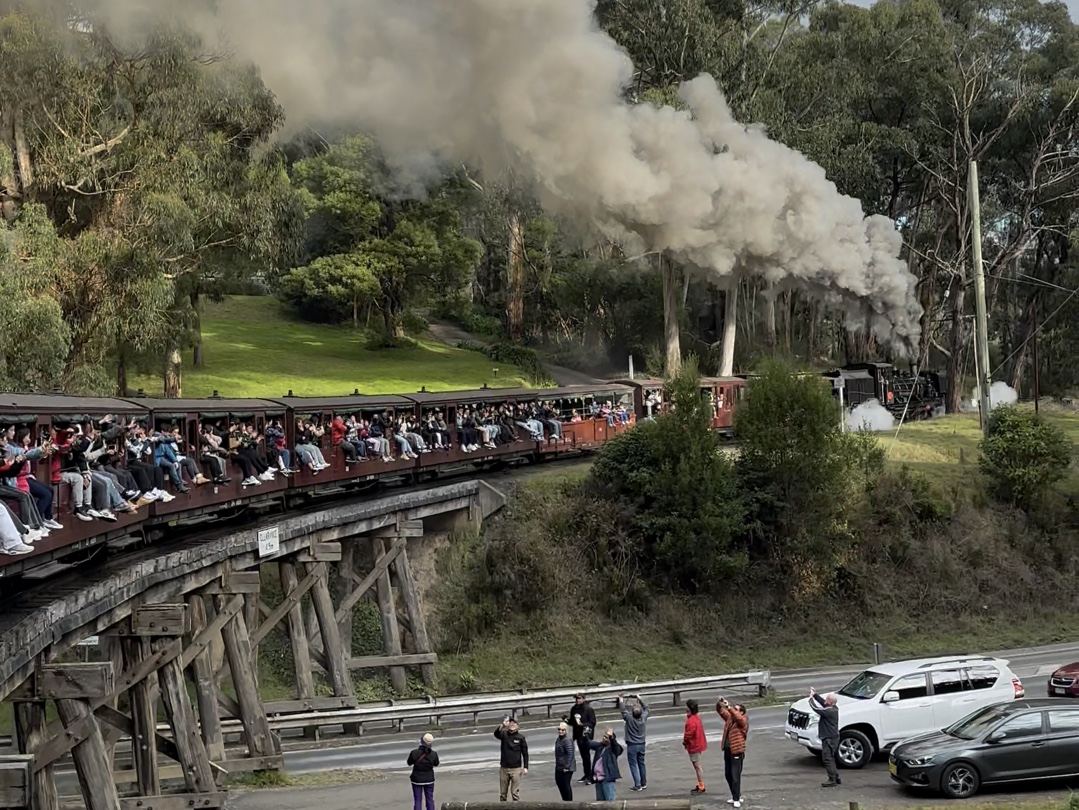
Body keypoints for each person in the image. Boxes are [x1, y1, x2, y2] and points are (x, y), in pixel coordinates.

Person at [717, 698, 749, 808]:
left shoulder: (743, 721)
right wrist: (720, 704)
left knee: (735, 776)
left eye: (736, 709)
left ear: (742, 712)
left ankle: (736, 799)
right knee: (728, 774)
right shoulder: (730, 719)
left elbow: (739, 718)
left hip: (737, 750)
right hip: (727, 749)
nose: (733, 710)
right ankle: (736, 795)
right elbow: (721, 712)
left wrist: (730, 707)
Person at [810, 688, 841, 788]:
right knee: (830, 758)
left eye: (827, 699)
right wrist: (815, 695)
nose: (825, 701)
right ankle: (836, 777)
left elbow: (816, 708)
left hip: (829, 739)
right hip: (832, 737)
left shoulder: (829, 712)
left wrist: (810, 699)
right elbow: (823, 703)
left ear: (830, 702)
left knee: (827, 759)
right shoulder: (833, 707)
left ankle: (832, 779)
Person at [618, 693, 649, 791]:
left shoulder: (629, 719)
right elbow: (647, 709)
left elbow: (623, 710)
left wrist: (621, 700)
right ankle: (643, 783)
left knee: (633, 764)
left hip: (632, 744)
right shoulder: (643, 718)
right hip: (642, 744)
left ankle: (637, 784)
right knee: (641, 763)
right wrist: (639, 699)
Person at [563, 693, 596, 785]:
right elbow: (573, 722)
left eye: (579, 698)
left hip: (586, 735)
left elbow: (592, 722)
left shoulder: (588, 709)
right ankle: (586, 774)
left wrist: (584, 724)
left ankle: (589, 776)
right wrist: (566, 720)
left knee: (586, 756)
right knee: (583, 756)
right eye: (576, 698)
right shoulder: (574, 709)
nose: (578, 700)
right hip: (578, 735)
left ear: (583, 699)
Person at [494, 716, 528, 801]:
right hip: (504, 768)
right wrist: (502, 725)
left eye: (514, 723)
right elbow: (496, 734)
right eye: (511, 723)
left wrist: (526, 767)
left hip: (516, 768)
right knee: (503, 793)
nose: (512, 725)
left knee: (514, 793)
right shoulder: (504, 735)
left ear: (517, 725)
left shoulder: (521, 737)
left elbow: (525, 753)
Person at [587, 727, 624, 802]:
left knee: (610, 801)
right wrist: (585, 735)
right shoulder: (600, 746)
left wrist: (612, 737)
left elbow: (616, 748)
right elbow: (587, 743)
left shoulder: (613, 749)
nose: (604, 738)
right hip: (598, 779)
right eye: (604, 736)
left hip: (608, 779)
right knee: (600, 802)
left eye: (606, 737)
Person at [407, 733, 439, 810]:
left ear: (422, 741)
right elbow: (436, 763)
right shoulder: (433, 754)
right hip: (429, 779)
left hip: (417, 779)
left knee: (417, 800)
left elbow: (409, 762)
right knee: (429, 799)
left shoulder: (414, 753)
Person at [683, 698, 707, 795]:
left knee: (697, 766)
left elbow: (688, 734)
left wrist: (685, 742)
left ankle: (701, 786)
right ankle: (700, 784)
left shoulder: (691, 721)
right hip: (698, 744)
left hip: (694, 746)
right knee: (697, 766)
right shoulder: (696, 717)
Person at [553, 721, 575, 801]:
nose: (560, 731)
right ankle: (565, 801)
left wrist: (567, 766)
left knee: (565, 785)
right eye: (559, 729)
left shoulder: (567, 740)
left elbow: (570, 754)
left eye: (563, 730)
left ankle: (569, 802)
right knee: (559, 782)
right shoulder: (559, 739)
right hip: (559, 766)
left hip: (566, 767)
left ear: (566, 731)